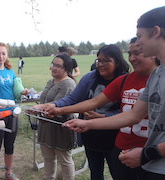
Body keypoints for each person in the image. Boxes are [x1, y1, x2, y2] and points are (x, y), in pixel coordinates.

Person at [64, 6, 165, 179]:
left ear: (156, 32)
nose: (138, 42)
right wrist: (87, 124)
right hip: (153, 167)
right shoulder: (157, 74)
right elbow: (133, 115)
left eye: (140, 36)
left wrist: (146, 154)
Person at [43, 38, 159, 180]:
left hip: (147, 151)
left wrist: (97, 118)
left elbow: (130, 115)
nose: (132, 58)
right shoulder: (124, 80)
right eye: (130, 54)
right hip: (120, 147)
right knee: (97, 171)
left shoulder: (157, 79)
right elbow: (94, 102)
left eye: (137, 53)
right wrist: (58, 108)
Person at [35, 44, 130, 180]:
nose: (101, 64)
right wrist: (54, 105)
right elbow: (73, 99)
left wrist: (102, 116)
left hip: (115, 138)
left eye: (106, 61)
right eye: (99, 61)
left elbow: (129, 113)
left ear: (117, 61)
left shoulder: (125, 81)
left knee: (118, 173)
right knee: (95, 172)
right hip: (90, 135)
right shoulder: (90, 78)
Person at [0, 42, 28, 180]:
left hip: (13, 113)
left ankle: (8, 173)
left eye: (3, 53)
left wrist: (23, 91)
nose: (0, 56)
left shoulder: (10, 71)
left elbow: (17, 88)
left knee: (10, 144)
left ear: (6, 55)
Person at [38, 54, 76, 180]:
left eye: (58, 66)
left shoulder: (68, 84)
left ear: (67, 69)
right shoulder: (51, 81)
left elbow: (56, 107)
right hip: (45, 125)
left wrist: (37, 108)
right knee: (48, 158)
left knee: (64, 160)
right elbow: (43, 100)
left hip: (61, 127)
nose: (54, 68)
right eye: (53, 64)